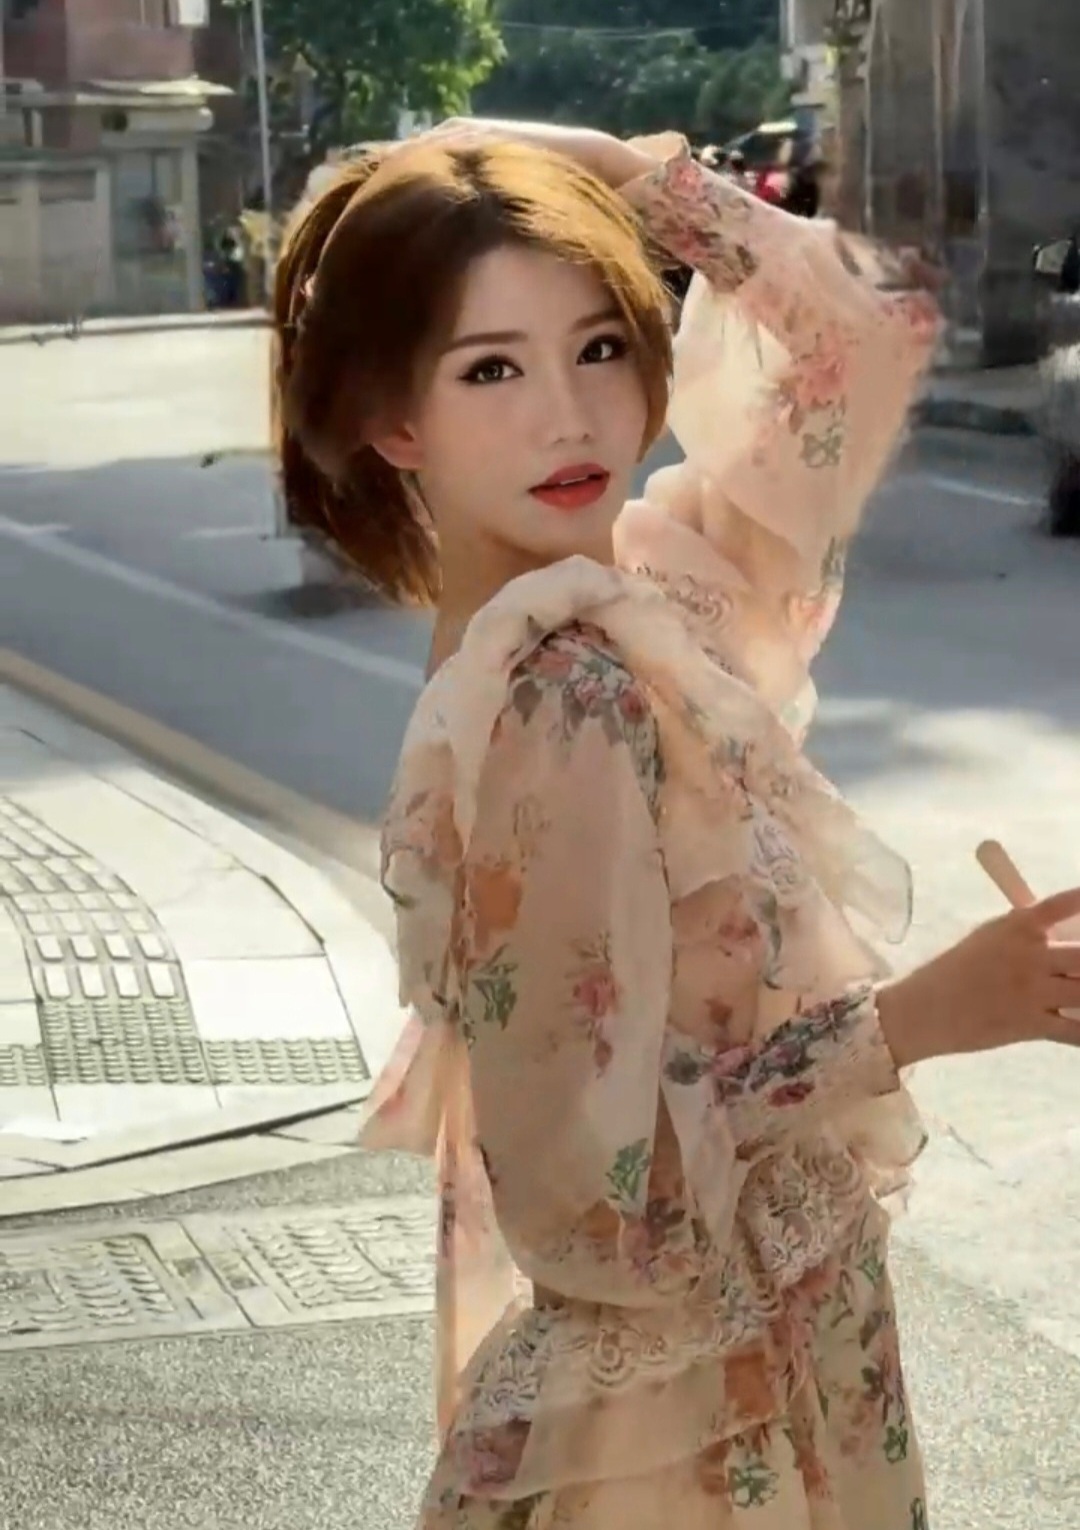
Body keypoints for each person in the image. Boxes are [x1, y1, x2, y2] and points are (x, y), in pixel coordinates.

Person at [271, 118, 1080, 1530]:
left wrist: (597, 164)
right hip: (687, 1424)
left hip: (785, 1348)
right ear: (397, 423)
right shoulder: (553, 703)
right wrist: (923, 1016)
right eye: (491, 369)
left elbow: (857, 336)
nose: (569, 417)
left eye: (599, 346)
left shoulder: (654, 608)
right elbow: (600, 1193)